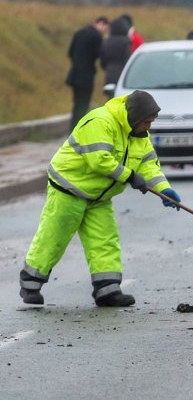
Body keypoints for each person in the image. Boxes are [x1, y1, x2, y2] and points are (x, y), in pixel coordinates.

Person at [18, 90, 182, 307]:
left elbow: (149, 165)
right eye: (147, 122)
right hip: (70, 188)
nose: (149, 127)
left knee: (104, 240)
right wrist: (129, 176)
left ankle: (108, 290)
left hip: (99, 198)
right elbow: (99, 160)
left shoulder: (140, 135)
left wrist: (164, 189)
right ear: (135, 117)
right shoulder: (100, 121)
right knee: (54, 238)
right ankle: (30, 284)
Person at [66, 16, 109, 132]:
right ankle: (79, 131)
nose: (104, 31)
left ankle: (72, 129)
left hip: (74, 73)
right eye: (105, 28)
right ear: (102, 24)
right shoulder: (96, 36)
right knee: (83, 105)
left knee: (76, 104)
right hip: (87, 76)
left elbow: (70, 52)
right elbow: (101, 56)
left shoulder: (79, 32)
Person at [100, 17, 132, 97]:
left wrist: (107, 67)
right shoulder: (125, 41)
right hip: (122, 73)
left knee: (110, 97)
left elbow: (102, 59)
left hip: (109, 73)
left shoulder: (106, 41)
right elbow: (127, 58)